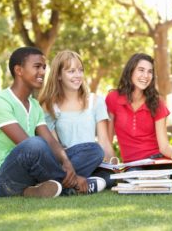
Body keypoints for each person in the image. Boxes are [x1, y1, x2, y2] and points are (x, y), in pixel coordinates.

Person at [0, 47, 105, 198]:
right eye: (37, 67)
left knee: (93, 150)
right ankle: (74, 184)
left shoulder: (35, 105)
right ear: (19, 70)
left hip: (33, 170)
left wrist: (66, 161)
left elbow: (50, 141)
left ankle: (41, 188)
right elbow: (26, 144)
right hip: (3, 177)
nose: (43, 72)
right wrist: (72, 175)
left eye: (44, 67)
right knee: (35, 144)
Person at [38, 50, 115, 187]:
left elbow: (104, 141)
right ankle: (73, 181)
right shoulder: (49, 106)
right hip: (67, 160)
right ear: (59, 75)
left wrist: (116, 166)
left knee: (109, 178)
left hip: (93, 160)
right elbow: (54, 146)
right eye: (71, 71)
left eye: (80, 70)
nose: (78, 75)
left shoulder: (95, 101)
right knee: (95, 149)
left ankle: (64, 185)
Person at [105, 53, 172, 163]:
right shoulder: (113, 99)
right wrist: (114, 168)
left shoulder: (157, 103)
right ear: (130, 71)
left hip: (157, 161)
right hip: (133, 166)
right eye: (141, 70)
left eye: (150, 71)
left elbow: (164, 147)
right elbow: (107, 142)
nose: (146, 75)